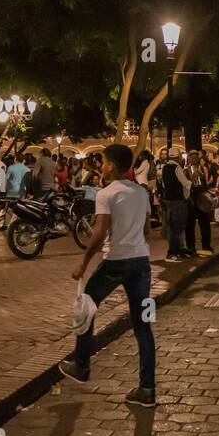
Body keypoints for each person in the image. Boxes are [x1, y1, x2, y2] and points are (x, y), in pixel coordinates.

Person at [59, 144, 157, 409]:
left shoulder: (106, 194)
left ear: (112, 165)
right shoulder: (141, 192)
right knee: (143, 325)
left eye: (103, 161)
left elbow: (100, 232)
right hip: (141, 262)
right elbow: (147, 229)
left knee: (87, 306)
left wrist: (83, 261)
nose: (101, 166)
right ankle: (147, 388)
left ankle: (81, 364)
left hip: (116, 260)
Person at [158, 152, 192, 261]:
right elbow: (185, 183)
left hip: (168, 200)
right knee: (177, 226)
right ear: (178, 158)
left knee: (171, 225)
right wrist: (191, 183)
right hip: (178, 200)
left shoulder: (164, 168)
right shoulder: (177, 168)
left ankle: (178, 248)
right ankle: (173, 251)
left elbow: (163, 184)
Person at [184, 150, 213, 256]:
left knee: (204, 224)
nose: (194, 159)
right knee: (190, 224)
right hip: (192, 199)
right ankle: (191, 246)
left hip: (201, 198)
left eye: (196, 157)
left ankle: (206, 245)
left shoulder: (203, 168)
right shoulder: (186, 170)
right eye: (192, 157)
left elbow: (207, 182)